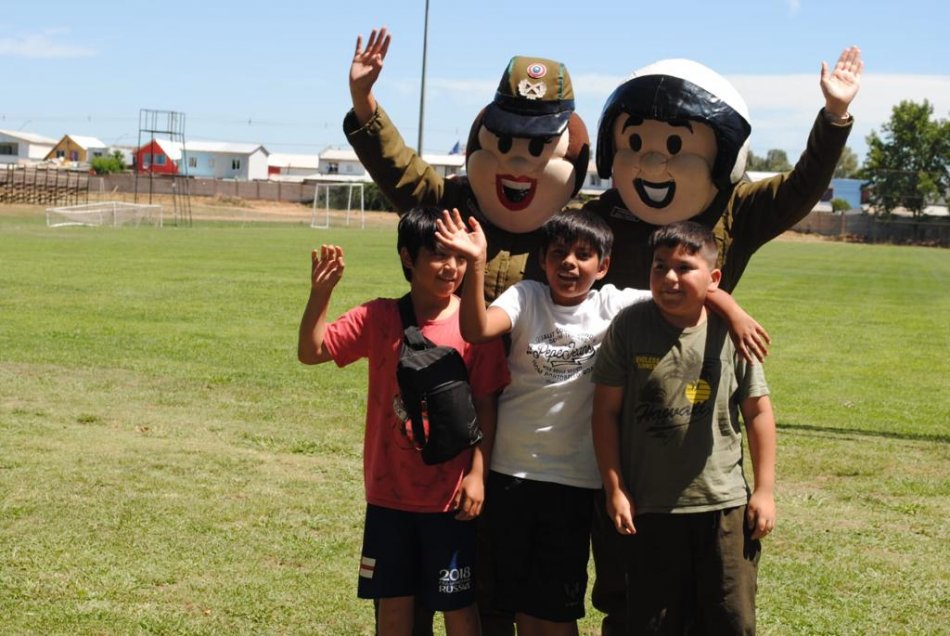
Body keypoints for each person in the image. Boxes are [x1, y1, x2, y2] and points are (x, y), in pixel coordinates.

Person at [586, 48, 861, 634]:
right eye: (635, 143)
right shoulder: (599, 216)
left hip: (711, 456)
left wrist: (834, 118)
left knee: (722, 607)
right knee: (636, 605)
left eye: (677, 146)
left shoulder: (732, 210)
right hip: (631, 448)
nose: (654, 161)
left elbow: (800, 188)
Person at [435, 208, 769, 635]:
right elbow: (478, 328)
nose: (569, 263)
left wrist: (733, 311)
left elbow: (688, 287)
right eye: (558, 253)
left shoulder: (613, 304)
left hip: (576, 481)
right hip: (509, 472)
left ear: (604, 265)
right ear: (543, 259)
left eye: (583, 254)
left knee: (555, 608)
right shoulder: (525, 297)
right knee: (504, 602)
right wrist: (477, 265)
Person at [297, 207, 510, 636]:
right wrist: (321, 294)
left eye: (458, 256)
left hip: (450, 500)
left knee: (459, 608)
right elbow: (312, 350)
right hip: (389, 496)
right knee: (393, 610)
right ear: (408, 257)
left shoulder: (473, 327)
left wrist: (477, 474)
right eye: (437, 255)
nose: (451, 267)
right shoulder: (379, 318)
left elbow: (487, 404)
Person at [591, 221, 777, 635]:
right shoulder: (629, 327)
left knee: (730, 620)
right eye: (659, 267)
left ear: (713, 279)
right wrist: (615, 488)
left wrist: (764, 490)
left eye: (684, 268)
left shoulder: (732, 332)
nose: (670, 278)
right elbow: (604, 413)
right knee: (651, 623)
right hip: (650, 509)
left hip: (723, 505)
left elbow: (759, 413)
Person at [346, 26, 590, 302]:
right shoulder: (454, 204)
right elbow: (399, 169)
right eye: (505, 144)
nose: (517, 164)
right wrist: (362, 97)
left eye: (537, 147)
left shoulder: (579, 229)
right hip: (455, 344)